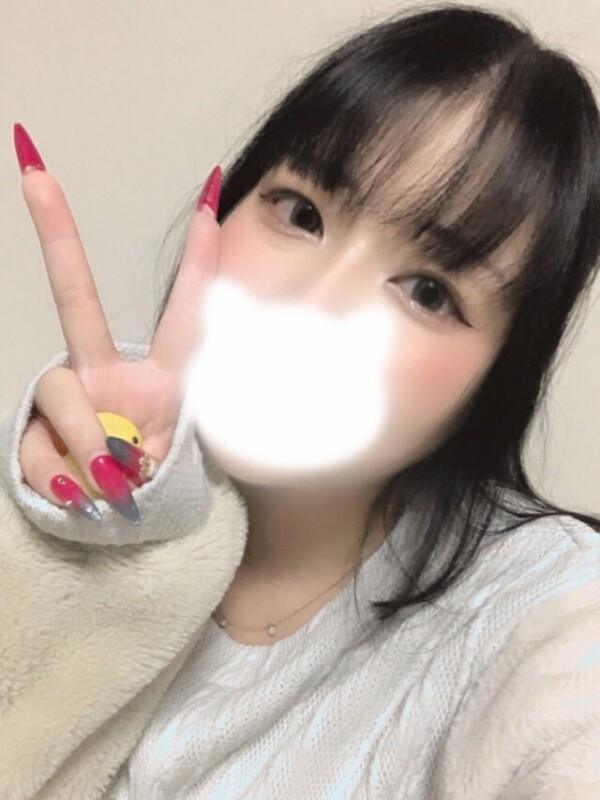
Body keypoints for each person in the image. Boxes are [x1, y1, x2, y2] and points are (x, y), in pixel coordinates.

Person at [2, 4, 600, 798]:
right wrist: (50, 550)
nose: (312, 305)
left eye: (429, 291)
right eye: (301, 212)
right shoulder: (94, 474)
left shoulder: (544, 610)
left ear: (499, 378)